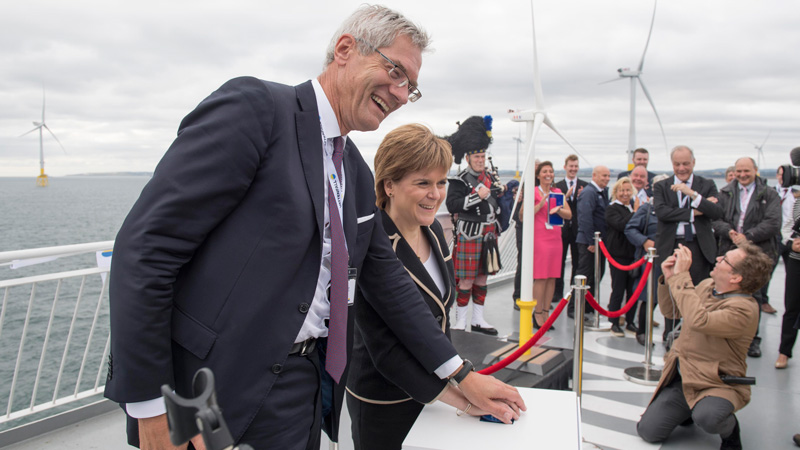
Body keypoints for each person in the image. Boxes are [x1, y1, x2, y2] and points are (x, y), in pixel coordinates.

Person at [104, 7, 525, 450]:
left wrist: (462, 374)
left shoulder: (357, 173)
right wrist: (153, 406)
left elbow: (389, 286)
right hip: (209, 386)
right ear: (345, 50)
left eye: (411, 87)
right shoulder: (258, 111)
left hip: (304, 386)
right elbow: (146, 249)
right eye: (395, 71)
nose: (401, 93)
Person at [346, 124, 488, 449]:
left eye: (440, 183)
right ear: (390, 185)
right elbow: (383, 348)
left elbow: (439, 317)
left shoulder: (434, 230)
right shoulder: (370, 243)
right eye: (423, 183)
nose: (435, 194)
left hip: (435, 390)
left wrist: (454, 378)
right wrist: (465, 396)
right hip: (384, 400)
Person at [637, 242, 774, 450]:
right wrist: (668, 278)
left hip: (717, 382)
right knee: (648, 431)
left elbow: (699, 320)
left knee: (709, 417)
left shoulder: (744, 310)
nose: (718, 259)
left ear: (736, 278)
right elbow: (671, 312)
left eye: (725, 259)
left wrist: (682, 276)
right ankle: (689, 409)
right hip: (686, 378)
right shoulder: (707, 286)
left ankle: (730, 431)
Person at [713, 157, 781, 358]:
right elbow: (716, 219)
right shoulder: (725, 193)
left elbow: (773, 222)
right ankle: (724, 334)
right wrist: (730, 233)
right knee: (723, 292)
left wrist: (748, 237)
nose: (742, 175)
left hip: (756, 252)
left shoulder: (769, 194)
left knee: (755, 296)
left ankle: (751, 339)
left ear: (755, 170)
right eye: (739, 171)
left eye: (747, 171)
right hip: (728, 248)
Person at [653, 145, 723, 341]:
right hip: (671, 246)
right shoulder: (661, 186)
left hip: (699, 247)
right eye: (677, 164)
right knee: (671, 293)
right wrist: (697, 210)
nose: (681, 168)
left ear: (693, 163)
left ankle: (695, 336)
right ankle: (671, 336)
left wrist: (692, 194)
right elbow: (662, 212)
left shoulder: (706, 184)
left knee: (699, 292)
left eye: (685, 163)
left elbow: (717, 212)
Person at [445, 115, 504, 335]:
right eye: (477, 156)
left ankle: (478, 319)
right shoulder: (459, 181)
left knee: (482, 277)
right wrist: (477, 197)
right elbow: (452, 205)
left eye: (483, 155)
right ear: (468, 157)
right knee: (466, 280)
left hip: (489, 234)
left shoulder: (492, 177)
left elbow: (497, 205)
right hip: (469, 235)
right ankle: (460, 322)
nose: (481, 159)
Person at [518, 161, 572, 329]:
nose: (548, 174)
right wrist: (541, 203)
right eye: (545, 171)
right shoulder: (533, 192)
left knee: (552, 276)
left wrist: (559, 210)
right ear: (538, 175)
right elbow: (522, 216)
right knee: (541, 277)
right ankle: (537, 312)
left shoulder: (557, 192)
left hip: (555, 237)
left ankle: (547, 311)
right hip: (540, 238)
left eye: (551, 171)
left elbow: (569, 214)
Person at [625, 173, 670, 345]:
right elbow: (630, 229)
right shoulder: (647, 209)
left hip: (672, 260)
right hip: (652, 261)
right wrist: (644, 241)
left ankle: (669, 334)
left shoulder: (677, 210)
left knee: (672, 299)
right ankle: (642, 331)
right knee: (649, 297)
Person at [574, 165, 611, 319]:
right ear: (594, 176)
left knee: (597, 275)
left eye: (608, 176)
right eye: (604, 176)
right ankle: (575, 308)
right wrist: (591, 241)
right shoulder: (589, 193)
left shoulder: (601, 193)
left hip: (599, 242)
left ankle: (588, 306)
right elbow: (585, 218)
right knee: (585, 275)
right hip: (589, 243)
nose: (607, 179)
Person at [604, 177, 640, 337]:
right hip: (618, 255)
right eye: (622, 190)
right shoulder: (612, 209)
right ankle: (614, 321)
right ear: (616, 192)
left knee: (632, 290)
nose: (625, 194)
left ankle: (630, 320)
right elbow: (622, 225)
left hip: (633, 254)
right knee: (618, 288)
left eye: (628, 190)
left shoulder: (632, 208)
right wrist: (636, 213)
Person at [554, 154, 587, 309]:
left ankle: (574, 294)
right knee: (559, 262)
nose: (573, 169)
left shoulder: (584, 186)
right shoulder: (557, 186)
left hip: (578, 229)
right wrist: (565, 198)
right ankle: (557, 293)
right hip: (562, 229)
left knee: (577, 263)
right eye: (571, 166)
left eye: (575, 166)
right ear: (565, 167)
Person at [776, 182, 800, 369]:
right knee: (792, 305)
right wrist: (790, 242)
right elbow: (789, 224)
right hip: (797, 259)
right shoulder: (797, 198)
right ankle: (784, 352)